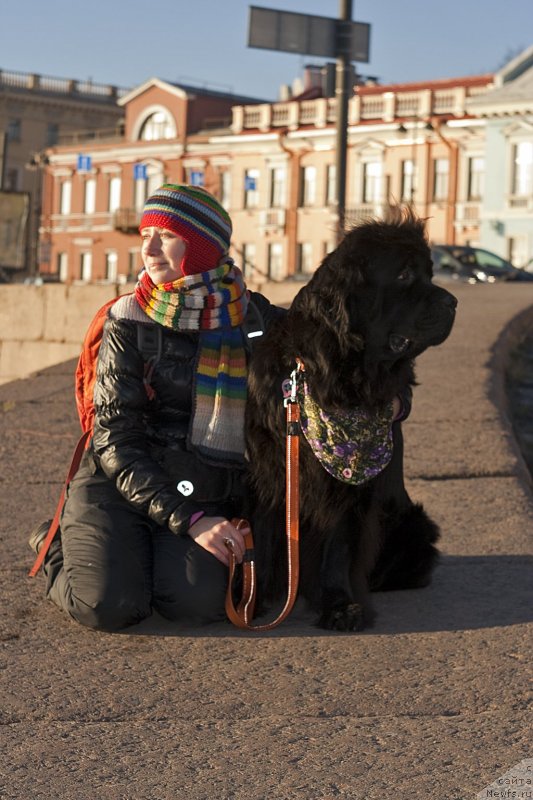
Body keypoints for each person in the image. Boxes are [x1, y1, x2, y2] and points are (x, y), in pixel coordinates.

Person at [29, 183, 285, 631]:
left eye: (164, 235)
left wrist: (391, 400)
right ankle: (53, 546)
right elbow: (115, 439)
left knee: (197, 605)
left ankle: (143, 551)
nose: (148, 248)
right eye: (145, 234)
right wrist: (193, 522)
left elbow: (335, 359)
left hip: (201, 485)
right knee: (109, 605)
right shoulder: (129, 319)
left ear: (203, 246)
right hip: (118, 480)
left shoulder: (256, 320)